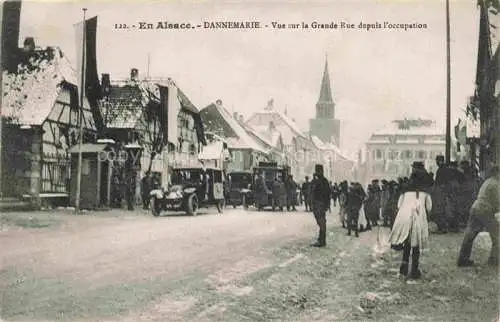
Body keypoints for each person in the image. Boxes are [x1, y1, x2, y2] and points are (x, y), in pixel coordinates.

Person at [388, 162, 433, 279]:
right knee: (416, 244)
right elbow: (429, 207)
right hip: (418, 216)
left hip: (405, 216)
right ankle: (414, 270)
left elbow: (399, 205)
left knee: (407, 244)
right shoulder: (426, 192)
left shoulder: (405, 190)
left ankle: (403, 269)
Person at [457, 165, 499, 267]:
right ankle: (494, 261)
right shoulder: (496, 184)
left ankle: (462, 260)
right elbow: (498, 201)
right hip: (485, 211)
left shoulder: (487, 181)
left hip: (475, 208)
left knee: (470, 235)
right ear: (497, 173)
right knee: (497, 235)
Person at [310, 164, 331, 247]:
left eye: (318, 171)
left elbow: (327, 194)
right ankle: (321, 239)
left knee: (321, 222)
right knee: (320, 222)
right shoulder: (318, 180)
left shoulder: (323, 181)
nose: (316, 172)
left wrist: (326, 205)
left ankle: (322, 240)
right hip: (317, 203)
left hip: (320, 203)